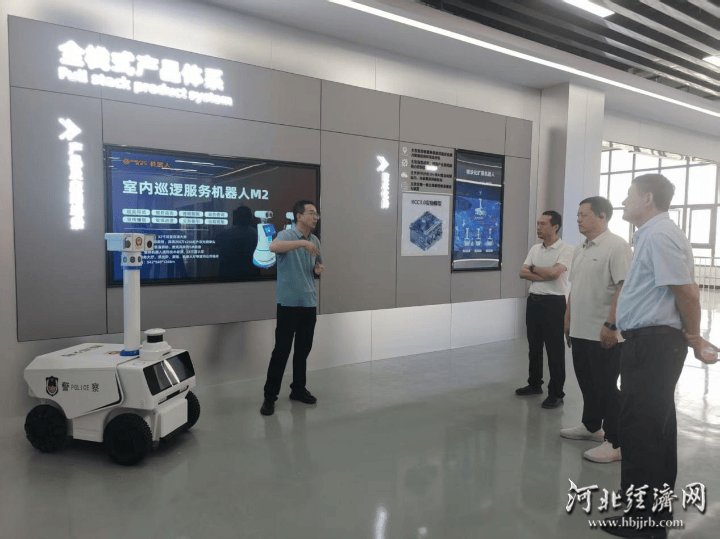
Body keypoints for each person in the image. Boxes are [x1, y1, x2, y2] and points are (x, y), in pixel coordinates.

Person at [600, 174, 716, 538]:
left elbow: (687, 292)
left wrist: (694, 336)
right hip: (650, 343)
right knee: (655, 428)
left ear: (647, 198)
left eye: (628, 195)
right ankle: (654, 513)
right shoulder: (652, 234)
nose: (623, 201)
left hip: (653, 345)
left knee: (641, 429)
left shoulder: (659, 235)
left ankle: (643, 521)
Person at [561, 197, 632, 464]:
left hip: (605, 332)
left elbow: (624, 288)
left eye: (584, 214)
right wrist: (568, 319)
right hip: (581, 330)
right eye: (578, 214)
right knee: (587, 383)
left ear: (602, 217)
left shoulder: (617, 246)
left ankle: (617, 442)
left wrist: (611, 325)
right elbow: (575, 288)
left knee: (606, 388)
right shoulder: (580, 249)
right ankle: (591, 427)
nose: (578, 219)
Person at [260, 200, 324, 416]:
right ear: (299, 216)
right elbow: (273, 247)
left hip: (309, 303)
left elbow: (315, 266)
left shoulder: (314, 239)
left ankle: (298, 389)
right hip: (288, 304)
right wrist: (302, 244)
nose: (315, 217)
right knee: (281, 351)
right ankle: (270, 397)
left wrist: (317, 269)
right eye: (311, 213)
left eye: (316, 214)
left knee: (302, 351)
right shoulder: (286, 235)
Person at [516, 211, 574, 409]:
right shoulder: (535, 248)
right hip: (533, 302)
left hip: (555, 304)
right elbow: (522, 272)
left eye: (543, 224)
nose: (538, 227)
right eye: (538, 223)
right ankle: (534, 384)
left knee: (554, 350)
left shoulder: (567, 249)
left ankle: (556, 393)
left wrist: (533, 269)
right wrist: (543, 273)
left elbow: (555, 273)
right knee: (534, 347)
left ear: (555, 227)